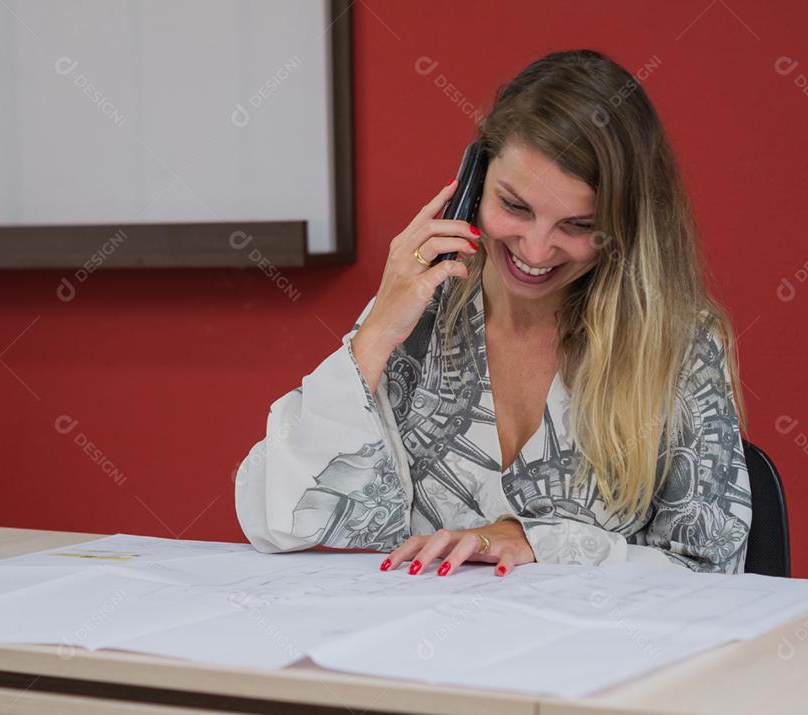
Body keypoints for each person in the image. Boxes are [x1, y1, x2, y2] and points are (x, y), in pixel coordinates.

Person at [234, 49, 752, 577]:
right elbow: (275, 516)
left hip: (595, 656)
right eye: (515, 207)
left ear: (624, 227)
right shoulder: (422, 310)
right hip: (410, 651)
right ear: (474, 181)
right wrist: (375, 334)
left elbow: (714, 573)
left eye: (576, 226)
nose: (534, 248)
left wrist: (537, 541)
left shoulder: (677, 343)